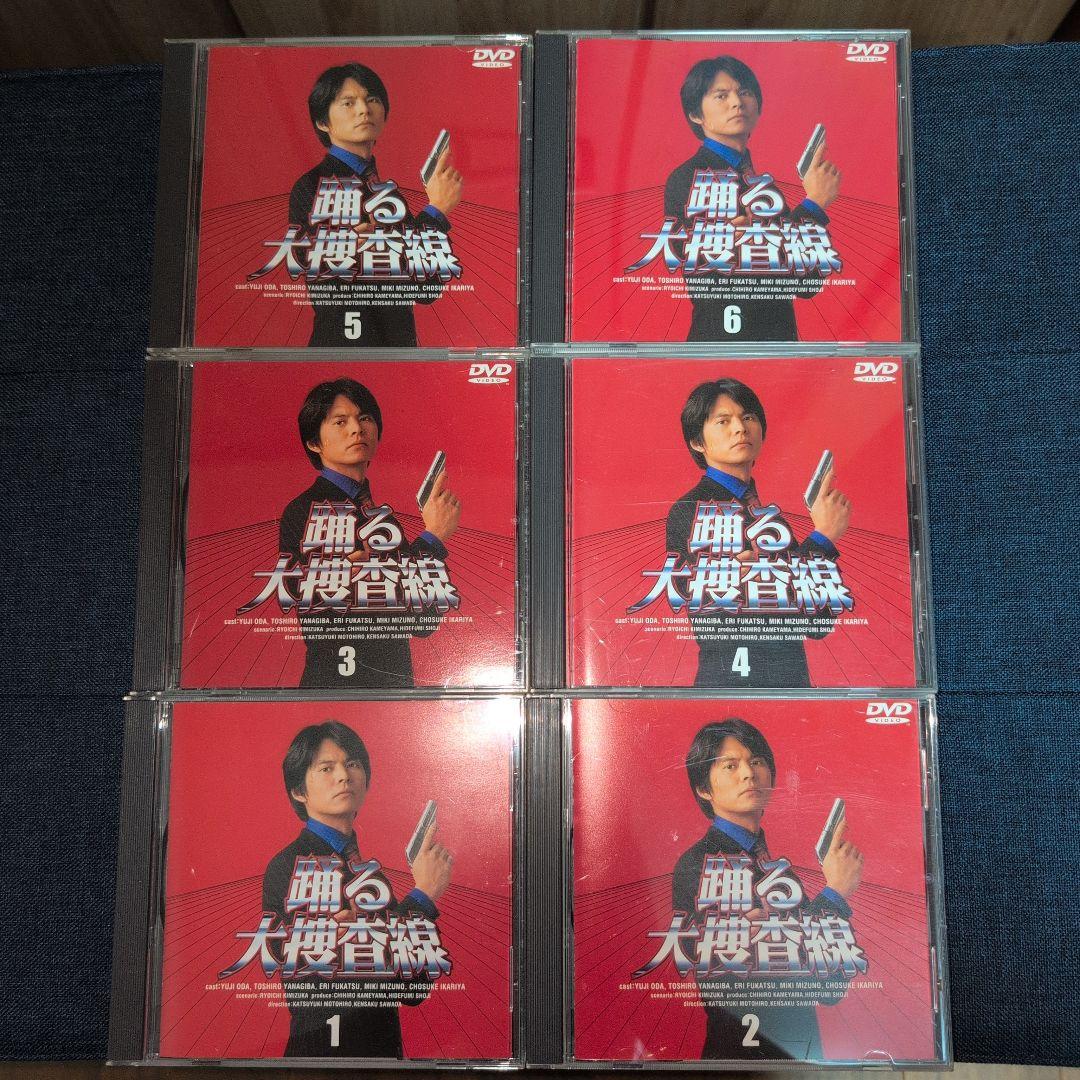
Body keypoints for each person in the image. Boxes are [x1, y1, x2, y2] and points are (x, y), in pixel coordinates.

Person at [672, 718, 863, 1060]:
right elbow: (736, 987)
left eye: (756, 761)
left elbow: (829, 987)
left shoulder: (777, 873)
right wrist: (834, 893)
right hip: (738, 1061)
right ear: (703, 788)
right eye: (730, 765)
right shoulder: (699, 865)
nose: (749, 774)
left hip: (799, 1059)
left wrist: (833, 897)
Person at [263, 720, 454, 1058]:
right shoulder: (293, 866)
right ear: (298, 791)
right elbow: (332, 989)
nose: (344, 776)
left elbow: (412, 989)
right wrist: (422, 895)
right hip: (325, 1059)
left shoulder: (368, 875)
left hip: (380, 1059)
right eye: (326, 768)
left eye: (352, 764)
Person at [666, 377, 850, 687]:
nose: (740, 428)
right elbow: (726, 622)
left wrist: (822, 540)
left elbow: (817, 623)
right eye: (723, 421)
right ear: (697, 442)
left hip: (789, 689)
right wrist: (822, 537)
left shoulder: (768, 519)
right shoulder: (693, 510)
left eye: (748, 417)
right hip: (731, 686)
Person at [279, 377, 461, 688]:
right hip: (336, 689)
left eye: (364, 418)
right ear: (314, 442)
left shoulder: (379, 519)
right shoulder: (307, 511)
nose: (357, 429)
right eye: (340, 421)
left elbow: (423, 622)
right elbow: (335, 619)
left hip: (393, 692)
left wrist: (430, 541)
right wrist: (432, 537)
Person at [664, 56, 841, 342]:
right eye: (721, 95)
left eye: (744, 92)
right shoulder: (691, 179)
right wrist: (814, 204)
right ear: (696, 114)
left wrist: (814, 206)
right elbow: (722, 284)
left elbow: (806, 284)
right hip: (723, 346)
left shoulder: (763, 189)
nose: (737, 102)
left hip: (778, 348)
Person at [289, 63, 464, 346]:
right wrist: (435, 210)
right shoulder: (315, 187)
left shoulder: (386, 195)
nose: (364, 110)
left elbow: (427, 289)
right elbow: (339, 288)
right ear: (323, 122)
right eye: (348, 102)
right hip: (344, 351)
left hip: (396, 356)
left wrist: (436, 210)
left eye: (372, 99)